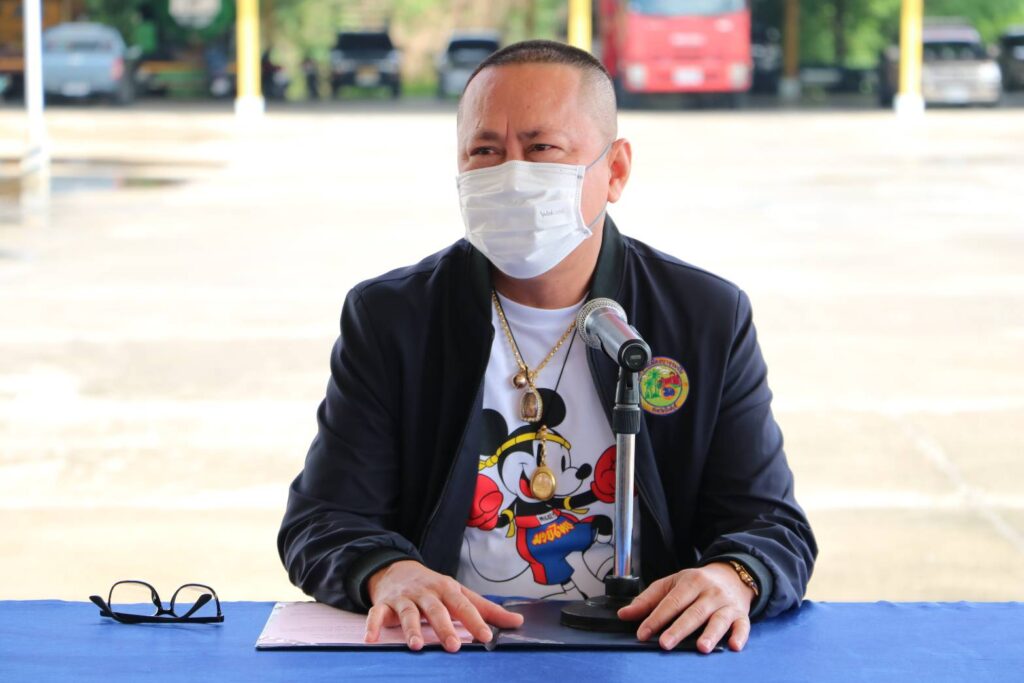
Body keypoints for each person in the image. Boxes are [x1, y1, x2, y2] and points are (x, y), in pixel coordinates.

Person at [278, 39, 817, 655]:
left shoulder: (705, 318)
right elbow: (324, 520)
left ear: (615, 171)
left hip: (642, 651)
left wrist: (733, 576)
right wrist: (387, 572)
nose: (511, 175)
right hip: (453, 650)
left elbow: (772, 526)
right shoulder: (394, 318)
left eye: (542, 149)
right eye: (485, 151)